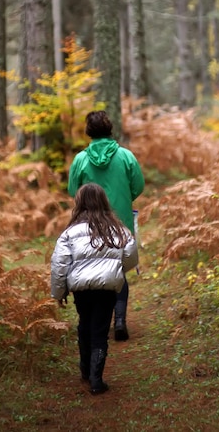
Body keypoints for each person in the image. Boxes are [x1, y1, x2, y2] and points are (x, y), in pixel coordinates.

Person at [50, 183, 138, 395]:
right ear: (103, 202)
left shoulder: (69, 233)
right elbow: (131, 255)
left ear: (79, 203)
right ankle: (96, 379)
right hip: (107, 289)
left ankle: (84, 369)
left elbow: (59, 264)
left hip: (81, 290)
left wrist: (59, 293)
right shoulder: (117, 229)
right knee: (99, 329)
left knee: (85, 324)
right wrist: (116, 270)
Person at [68, 110, 145, 341]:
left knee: (90, 268)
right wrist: (123, 197)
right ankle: (119, 320)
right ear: (110, 129)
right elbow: (138, 185)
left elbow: (74, 191)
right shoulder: (126, 156)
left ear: (88, 131)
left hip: (87, 224)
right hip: (119, 221)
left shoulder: (80, 159)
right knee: (117, 269)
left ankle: (92, 320)